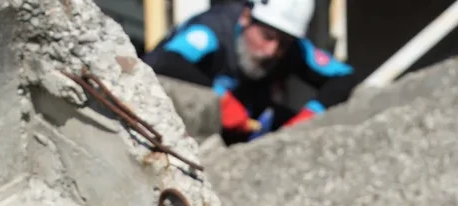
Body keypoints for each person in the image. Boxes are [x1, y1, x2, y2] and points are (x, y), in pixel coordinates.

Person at [142, 0, 357, 145]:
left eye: (284, 43)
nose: (273, 51)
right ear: (246, 17)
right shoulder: (213, 29)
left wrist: (309, 116)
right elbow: (165, 60)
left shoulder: (292, 49)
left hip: (247, 126)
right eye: (267, 36)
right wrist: (219, 99)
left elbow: (344, 77)